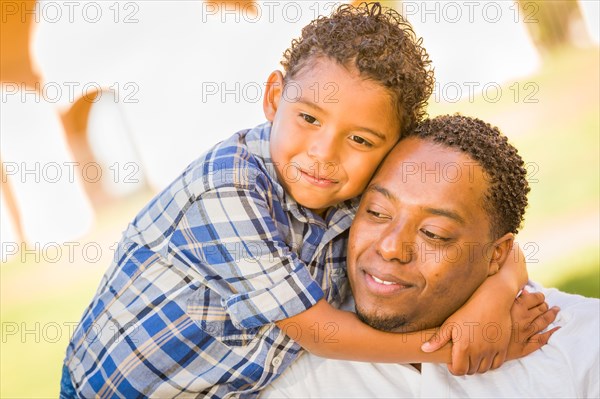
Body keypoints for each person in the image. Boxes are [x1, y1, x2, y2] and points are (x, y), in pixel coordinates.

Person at [59, 4, 556, 398]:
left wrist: (490, 302)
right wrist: (449, 349)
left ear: (392, 146)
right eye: (309, 119)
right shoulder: (227, 187)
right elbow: (319, 333)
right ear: (275, 97)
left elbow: (486, 241)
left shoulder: (360, 194)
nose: (324, 155)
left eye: (361, 140)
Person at [261, 114, 600, 398]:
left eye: (433, 233)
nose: (391, 247)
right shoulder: (292, 371)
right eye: (377, 213)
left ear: (497, 254)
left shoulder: (582, 348)